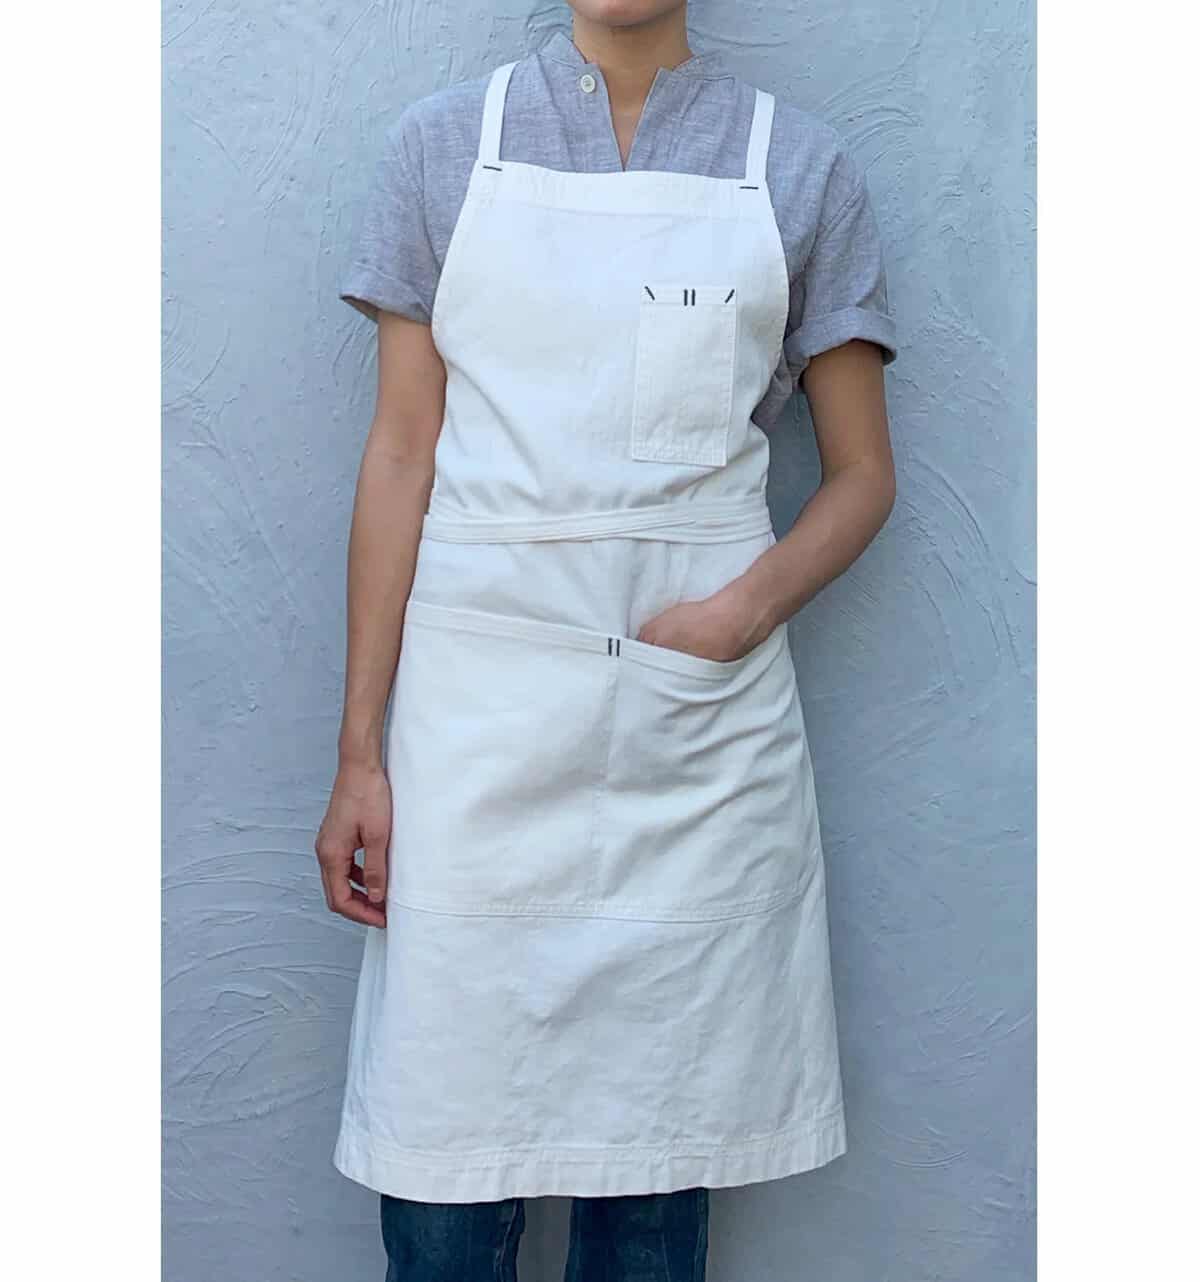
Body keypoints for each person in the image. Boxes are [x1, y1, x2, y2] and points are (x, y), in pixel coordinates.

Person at [314, 2, 898, 1278]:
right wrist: (361, 754)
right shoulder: (438, 151)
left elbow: (862, 474)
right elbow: (401, 454)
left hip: (693, 734)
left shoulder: (796, 166)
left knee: (655, 1150)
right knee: (445, 1163)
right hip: (477, 725)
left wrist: (737, 614)